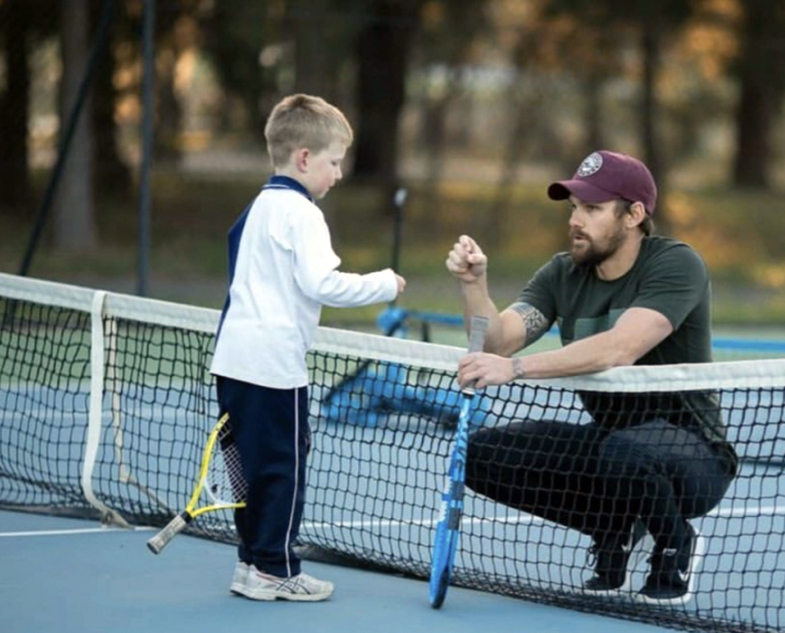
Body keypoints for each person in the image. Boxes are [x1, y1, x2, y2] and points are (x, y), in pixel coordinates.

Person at [446, 150, 737, 601]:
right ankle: (614, 528)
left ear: (633, 215)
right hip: (613, 444)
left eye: (593, 209)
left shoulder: (676, 264)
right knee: (479, 453)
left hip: (694, 454)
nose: (576, 220)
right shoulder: (561, 273)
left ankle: (675, 542)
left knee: (626, 453)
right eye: (574, 207)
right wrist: (474, 286)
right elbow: (498, 342)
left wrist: (517, 370)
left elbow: (620, 347)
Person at [210, 94, 405, 602]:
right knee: (283, 469)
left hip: (231, 360)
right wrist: (384, 283)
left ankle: (251, 562)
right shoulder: (303, 213)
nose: (338, 174)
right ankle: (275, 569)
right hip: (274, 367)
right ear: (303, 158)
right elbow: (323, 283)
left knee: (247, 470)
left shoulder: (255, 209)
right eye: (333, 162)